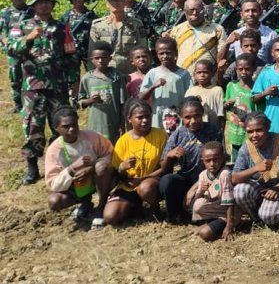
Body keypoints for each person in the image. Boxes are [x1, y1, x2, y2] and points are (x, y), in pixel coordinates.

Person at [9, 0, 76, 184]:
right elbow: (11, 51)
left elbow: (71, 54)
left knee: (61, 126)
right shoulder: (23, 26)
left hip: (58, 85)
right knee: (33, 126)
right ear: (33, 5)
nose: (44, 5)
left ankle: (60, 164)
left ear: (53, 5)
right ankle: (32, 168)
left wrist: (73, 82)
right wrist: (28, 38)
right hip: (33, 86)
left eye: (48, 1)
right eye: (40, 2)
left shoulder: (62, 27)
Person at [44, 106, 114, 230]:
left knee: (102, 167)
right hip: (76, 187)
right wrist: (71, 169)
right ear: (57, 129)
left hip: (99, 179)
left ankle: (101, 208)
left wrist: (92, 168)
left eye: (74, 125)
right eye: (66, 127)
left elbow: (110, 154)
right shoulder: (54, 150)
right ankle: (86, 203)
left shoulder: (92, 136)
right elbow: (53, 184)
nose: (71, 129)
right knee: (54, 200)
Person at [103, 99, 168, 227]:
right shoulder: (123, 141)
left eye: (147, 116)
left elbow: (165, 167)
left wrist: (143, 179)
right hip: (128, 185)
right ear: (129, 119)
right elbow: (117, 175)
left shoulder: (161, 136)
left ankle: (154, 208)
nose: (145, 120)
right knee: (110, 217)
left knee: (145, 188)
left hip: (151, 183)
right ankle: (135, 207)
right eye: (139, 117)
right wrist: (122, 168)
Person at [158, 96, 222, 223]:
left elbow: (220, 162)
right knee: (167, 181)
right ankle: (174, 215)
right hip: (185, 180)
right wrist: (170, 156)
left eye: (197, 116)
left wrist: (195, 188)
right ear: (181, 117)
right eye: (188, 117)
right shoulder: (178, 134)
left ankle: (192, 210)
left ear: (202, 114)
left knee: (197, 215)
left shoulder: (214, 131)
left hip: (208, 180)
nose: (193, 121)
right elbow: (164, 170)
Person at [231, 112, 279, 227]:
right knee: (240, 191)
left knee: (269, 216)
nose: (254, 135)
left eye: (259, 130)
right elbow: (234, 178)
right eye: (250, 131)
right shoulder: (245, 148)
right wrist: (256, 168)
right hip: (260, 189)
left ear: (268, 128)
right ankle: (257, 219)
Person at [89, 0, 148, 76]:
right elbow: (92, 53)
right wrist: (93, 76)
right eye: (111, 0)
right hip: (105, 75)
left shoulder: (136, 24)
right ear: (106, 3)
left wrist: (142, 75)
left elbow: (143, 50)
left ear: (125, 2)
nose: (115, 2)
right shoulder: (97, 25)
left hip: (130, 74)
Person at [78, 41, 128, 143]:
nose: (100, 60)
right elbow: (80, 103)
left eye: (104, 57)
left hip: (114, 123)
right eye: (97, 58)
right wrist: (91, 100)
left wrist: (122, 125)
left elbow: (123, 103)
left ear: (109, 59)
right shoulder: (87, 78)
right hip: (95, 124)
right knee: (97, 149)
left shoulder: (117, 76)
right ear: (92, 60)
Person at [139, 37, 192, 131]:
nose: (165, 56)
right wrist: (153, 86)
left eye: (168, 53)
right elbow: (141, 97)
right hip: (158, 116)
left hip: (178, 115)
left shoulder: (183, 74)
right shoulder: (153, 73)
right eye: (161, 53)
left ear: (175, 53)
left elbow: (190, 97)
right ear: (156, 54)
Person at [191, 141, 239, 241]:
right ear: (203, 161)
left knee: (205, 234)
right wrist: (200, 191)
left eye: (215, 160)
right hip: (213, 212)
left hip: (226, 214)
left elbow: (229, 202)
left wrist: (229, 227)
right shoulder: (203, 174)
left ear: (223, 158)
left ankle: (228, 223)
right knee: (198, 203)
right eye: (208, 161)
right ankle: (209, 223)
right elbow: (196, 199)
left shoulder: (224, 174)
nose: (212, 164)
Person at [166, 0, 226, 79]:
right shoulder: (177, 30)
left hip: (208, 79)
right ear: (185, 11)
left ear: (204, 10)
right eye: (191, 11)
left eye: (198, 10)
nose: (195, 14)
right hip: (182, 78)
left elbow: (222, 54)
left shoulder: (217, 29)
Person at [223, 53, 262, 165]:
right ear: (236, 70)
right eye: (240, 69)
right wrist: (227, 104)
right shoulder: (231, 86)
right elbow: (226, 107)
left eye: (247, 69)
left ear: (254, 69)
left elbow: (258, 113)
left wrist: (239, 113)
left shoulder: (257, 89)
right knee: (236, 163)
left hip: (250, 134)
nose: (243, 72)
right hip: (235, 133)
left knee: (252, 162)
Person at [0, 0, 34, 113]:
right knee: (15, 78)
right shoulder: (4, 13)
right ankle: (18, 105)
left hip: (29, 50)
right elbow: (1, 31)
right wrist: (4, 40)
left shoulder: (32, 11)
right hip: (12, 51)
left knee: (30, 77)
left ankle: (29, 103)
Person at [59, 0, 96, 95]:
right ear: (72, 1)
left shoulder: (91, 15)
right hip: (71, 49)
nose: (78, 1)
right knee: (73, 75)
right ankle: (75, 97)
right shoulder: (67, 15)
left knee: (91, 72)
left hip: (87, 49)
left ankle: (92, 94)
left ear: (84, 0)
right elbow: (61, 30)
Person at [225, 0, 278, 64]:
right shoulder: (235, 34)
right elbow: (223, 59)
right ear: (241, 14)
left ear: (260, 12)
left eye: (254, 10)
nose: (250, 14)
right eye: (247, 11)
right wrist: (226, 44)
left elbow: (277, 59)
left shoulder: (271, 35)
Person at [186, 59, 224, 127]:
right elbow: (185, 110)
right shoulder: (191, 91)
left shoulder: (217, 90)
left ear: (212, 74)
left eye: (205, 72)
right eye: (199, 72)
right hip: (195, 127)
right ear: (194, 74)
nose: (202, 75)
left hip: (212, 127)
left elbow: (220, 113)